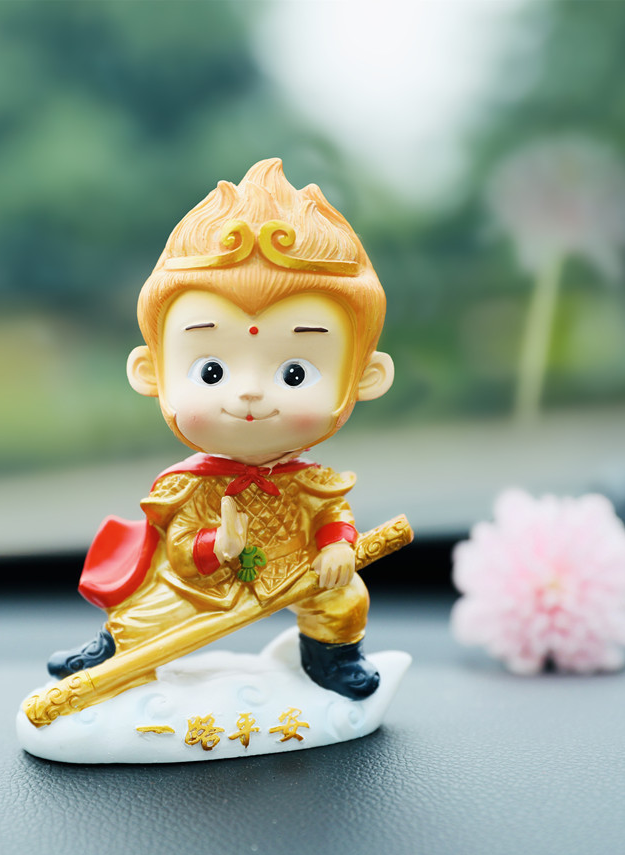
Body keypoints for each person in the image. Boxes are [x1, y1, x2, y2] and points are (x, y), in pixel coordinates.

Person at [35, 158, 397, 724]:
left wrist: (335, 546)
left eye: (294, 373)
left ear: (365, 378)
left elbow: (333, 515)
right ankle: (114, 652)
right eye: (212, 372)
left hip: (296, 569)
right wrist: (217, 545)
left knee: (344, 598)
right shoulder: (189, 487)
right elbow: (181, 548)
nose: (249, 392)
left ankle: (333, 659)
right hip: (205, 583)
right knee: (148, 613)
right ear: (151, 372)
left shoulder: (313, 482)